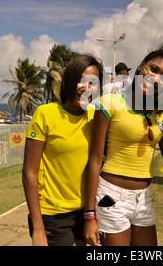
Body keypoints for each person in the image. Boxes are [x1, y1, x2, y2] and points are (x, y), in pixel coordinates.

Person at [84, 40, 163, 246]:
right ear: (141, 65)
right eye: (153, 69)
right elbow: (95, 160)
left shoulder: (162, 114)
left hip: (144, 198)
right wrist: (89, 215)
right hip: (111, 197)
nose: (154, 77)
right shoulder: (110, 103)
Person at [22, 54, 103, 246]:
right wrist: (38, 229)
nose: (86, 88)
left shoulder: (97, 118)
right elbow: (29, 173)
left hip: (86, 213)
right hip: (53, 215)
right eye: (80, 81)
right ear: (69, 81)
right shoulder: (45, 114)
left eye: (93, 83)